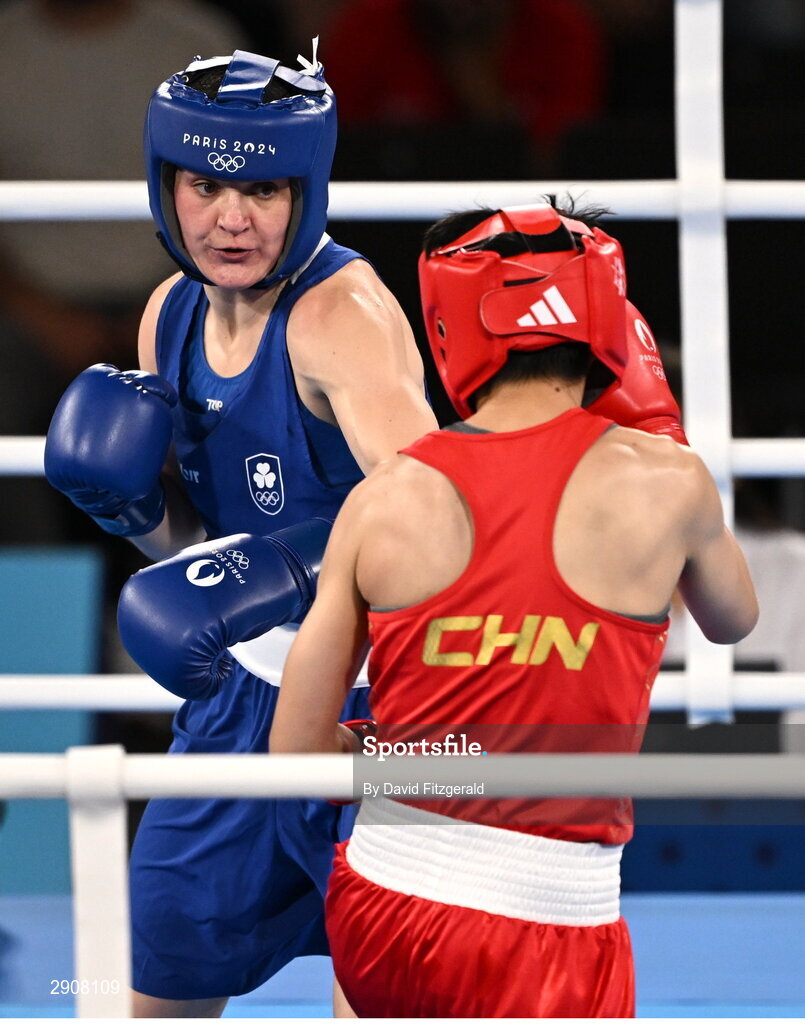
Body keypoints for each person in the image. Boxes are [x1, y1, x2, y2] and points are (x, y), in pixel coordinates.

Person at [269, 201, 759, 1017]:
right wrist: (658, 438)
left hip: (385, 897)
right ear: (603, 318)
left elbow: (299, 755)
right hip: (547, 913)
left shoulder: (384, 495)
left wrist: (411, 757)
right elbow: (732, 618)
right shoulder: (668, 483)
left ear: (449, 327)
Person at [44, 48, 437, 1017]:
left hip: (375, 713)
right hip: (241, 703)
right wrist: (139, 517)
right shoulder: (166, 319)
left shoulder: (342, 319)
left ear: (304, 189)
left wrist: (300, 569)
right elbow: (207, 567)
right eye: (206, 186)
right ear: (165, 185)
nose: (232, 218)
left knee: (379, 1001)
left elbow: (439, 516)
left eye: (261, 187)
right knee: (151, 991)